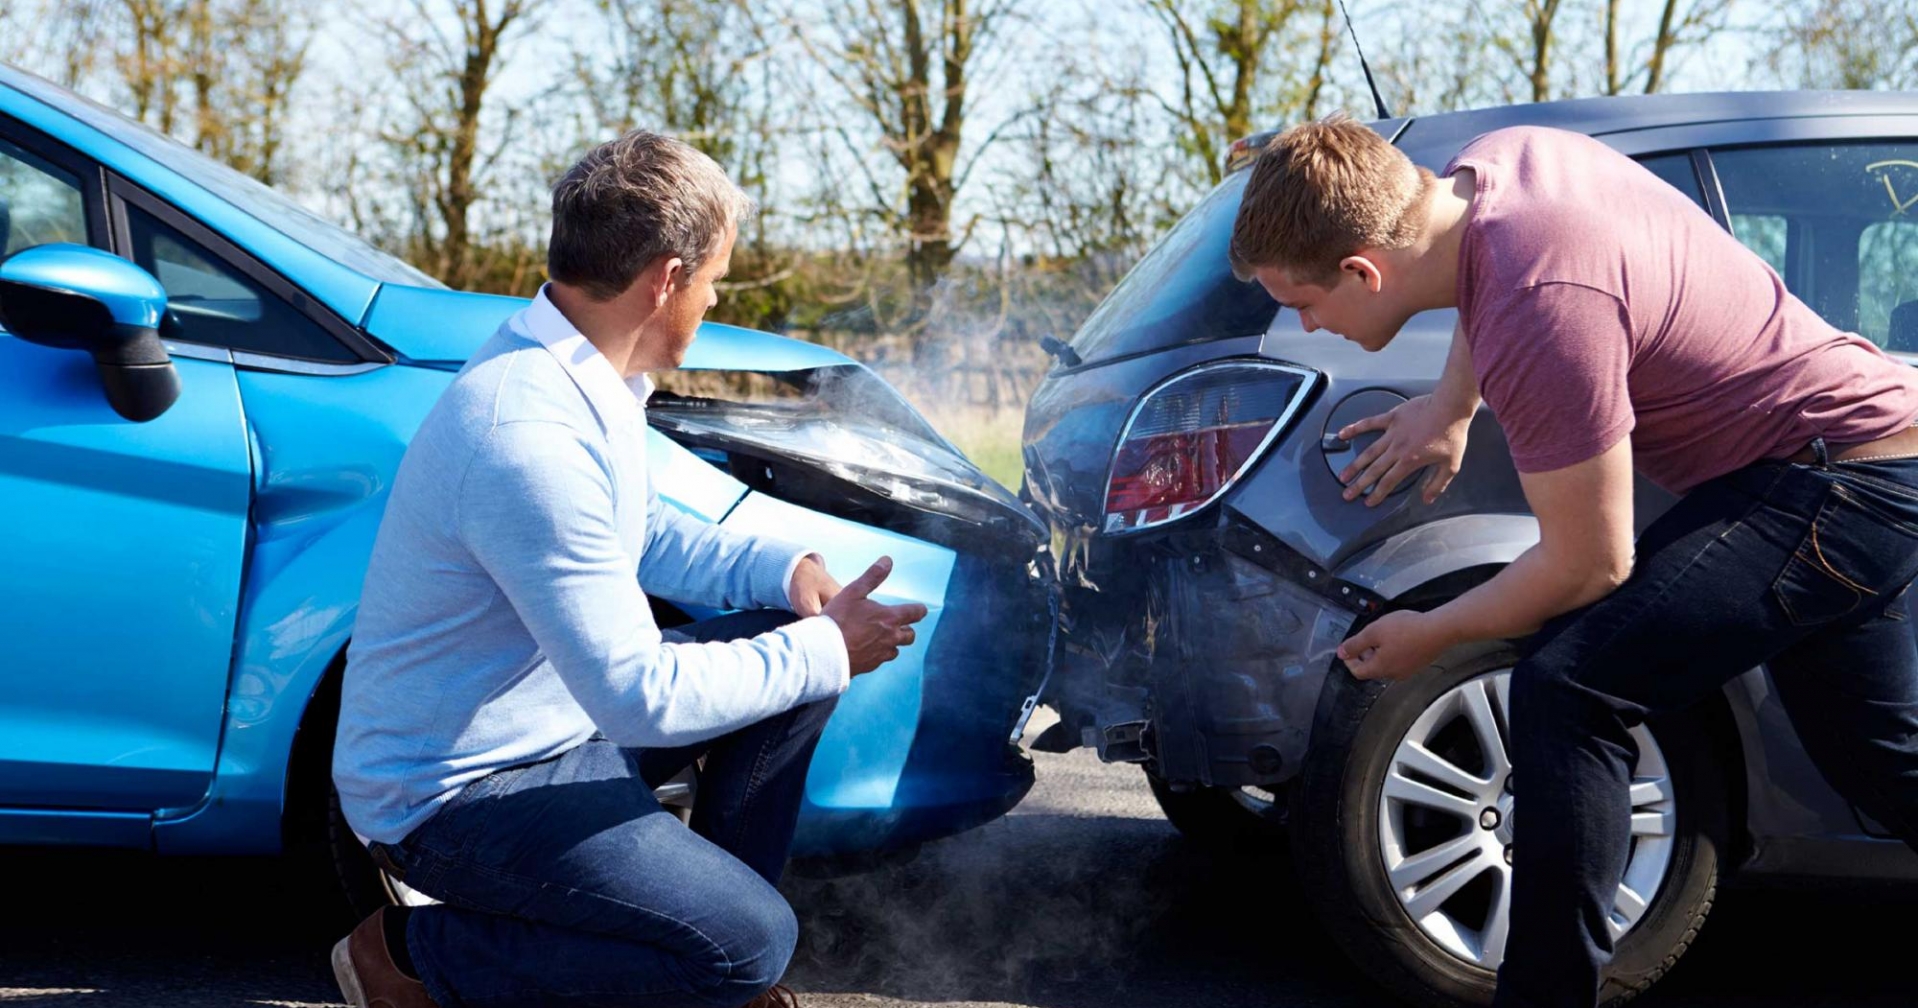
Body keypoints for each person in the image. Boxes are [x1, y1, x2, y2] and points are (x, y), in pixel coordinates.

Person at [1228, 115, 1918, 1007]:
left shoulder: (1540, 301)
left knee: (1569, 688)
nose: (1305, 321)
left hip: (1833, 483)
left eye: (1304, 303)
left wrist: (1430, 636)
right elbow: (1493, 274)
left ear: (1365, 270)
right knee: (1884, 761)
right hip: (1872, 458)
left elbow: (1591, 565)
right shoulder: (1499, 168)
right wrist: (1451, 402)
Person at [328, 130, 927, 1008]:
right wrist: (832, 649)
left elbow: (638, 533)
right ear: (669, 280)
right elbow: (636, 695)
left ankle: (703, 935)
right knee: (750, 944)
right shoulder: (524, 434)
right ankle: (415, 956)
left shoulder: (579, 374)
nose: (714, 300)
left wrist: (785, 571)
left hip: (553, 734)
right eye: (716, 279)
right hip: (457, 795)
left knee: (786, 647)